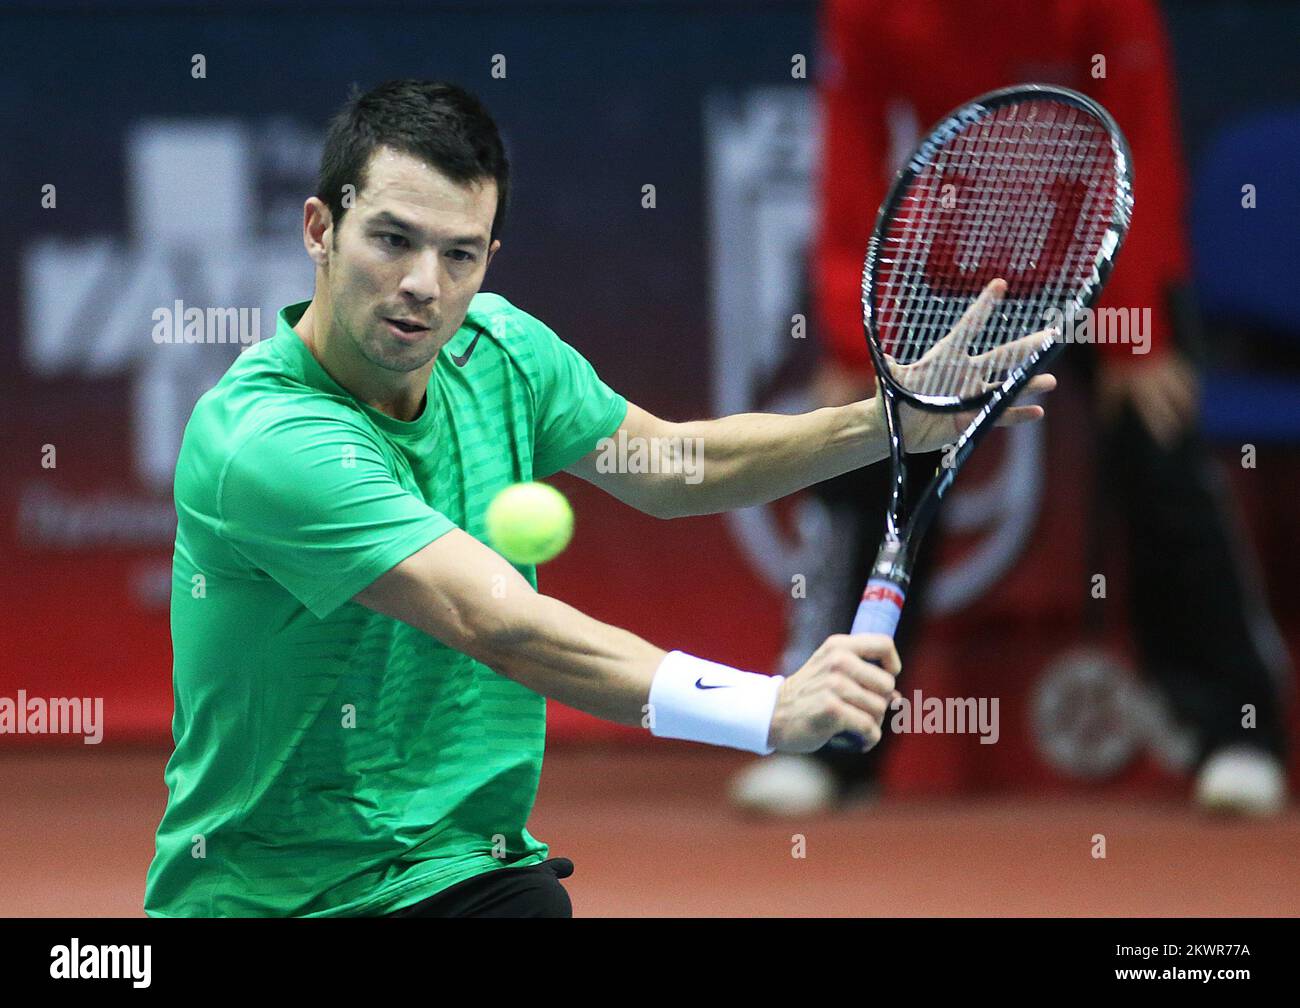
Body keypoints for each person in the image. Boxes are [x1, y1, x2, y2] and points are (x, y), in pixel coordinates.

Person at [142, 80, 1054, 917]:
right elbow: (495, 620)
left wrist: (882, 423)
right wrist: (764, 710)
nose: (424, 283)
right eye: (392, 239)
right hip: (266, 901)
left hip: (462, 874)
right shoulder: (267, 442)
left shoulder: (499, 349)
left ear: (488, 259)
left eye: (459, 253)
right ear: (318, 229)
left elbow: (669, 466)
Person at [730, 0, 1288, 818]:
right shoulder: (869, 9)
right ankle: (830, 738)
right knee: (865, 464)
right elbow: (849, 144)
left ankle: (1235, 735)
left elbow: (1142, 139)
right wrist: (855, 345)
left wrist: (1140, 338)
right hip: (947, 258)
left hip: (1104, 240)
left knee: (1160, 449)